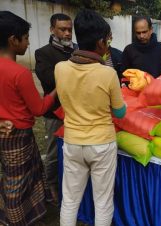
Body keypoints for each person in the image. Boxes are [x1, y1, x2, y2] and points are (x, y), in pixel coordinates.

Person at [55, 9, 126, 226]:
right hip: (101, 144)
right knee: (103, 202)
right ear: (100, 42)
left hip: (73, 142)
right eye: (107, 40)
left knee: (70, 200)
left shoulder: (60, 68)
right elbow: (120, 112)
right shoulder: (107, 73)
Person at [0, 11, 56, 225]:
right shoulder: (19, 73)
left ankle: (30, 212)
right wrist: (56, 90)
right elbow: (39, 108)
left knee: (15, 174)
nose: (28, 43)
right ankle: (14, 219)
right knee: (17, 181)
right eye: (25, 38)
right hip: (18, 135)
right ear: (13, 40)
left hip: (5, 132)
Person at [35, 13, 76, 203]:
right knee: (53, 153)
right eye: (63, 29)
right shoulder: (43, 53)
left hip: (76, 112)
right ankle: (51, 187)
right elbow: (49, 80)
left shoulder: (77, 50)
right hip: (54, 113)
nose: (67, 33)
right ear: (52, 30)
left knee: (74, 151)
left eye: (70, 29)